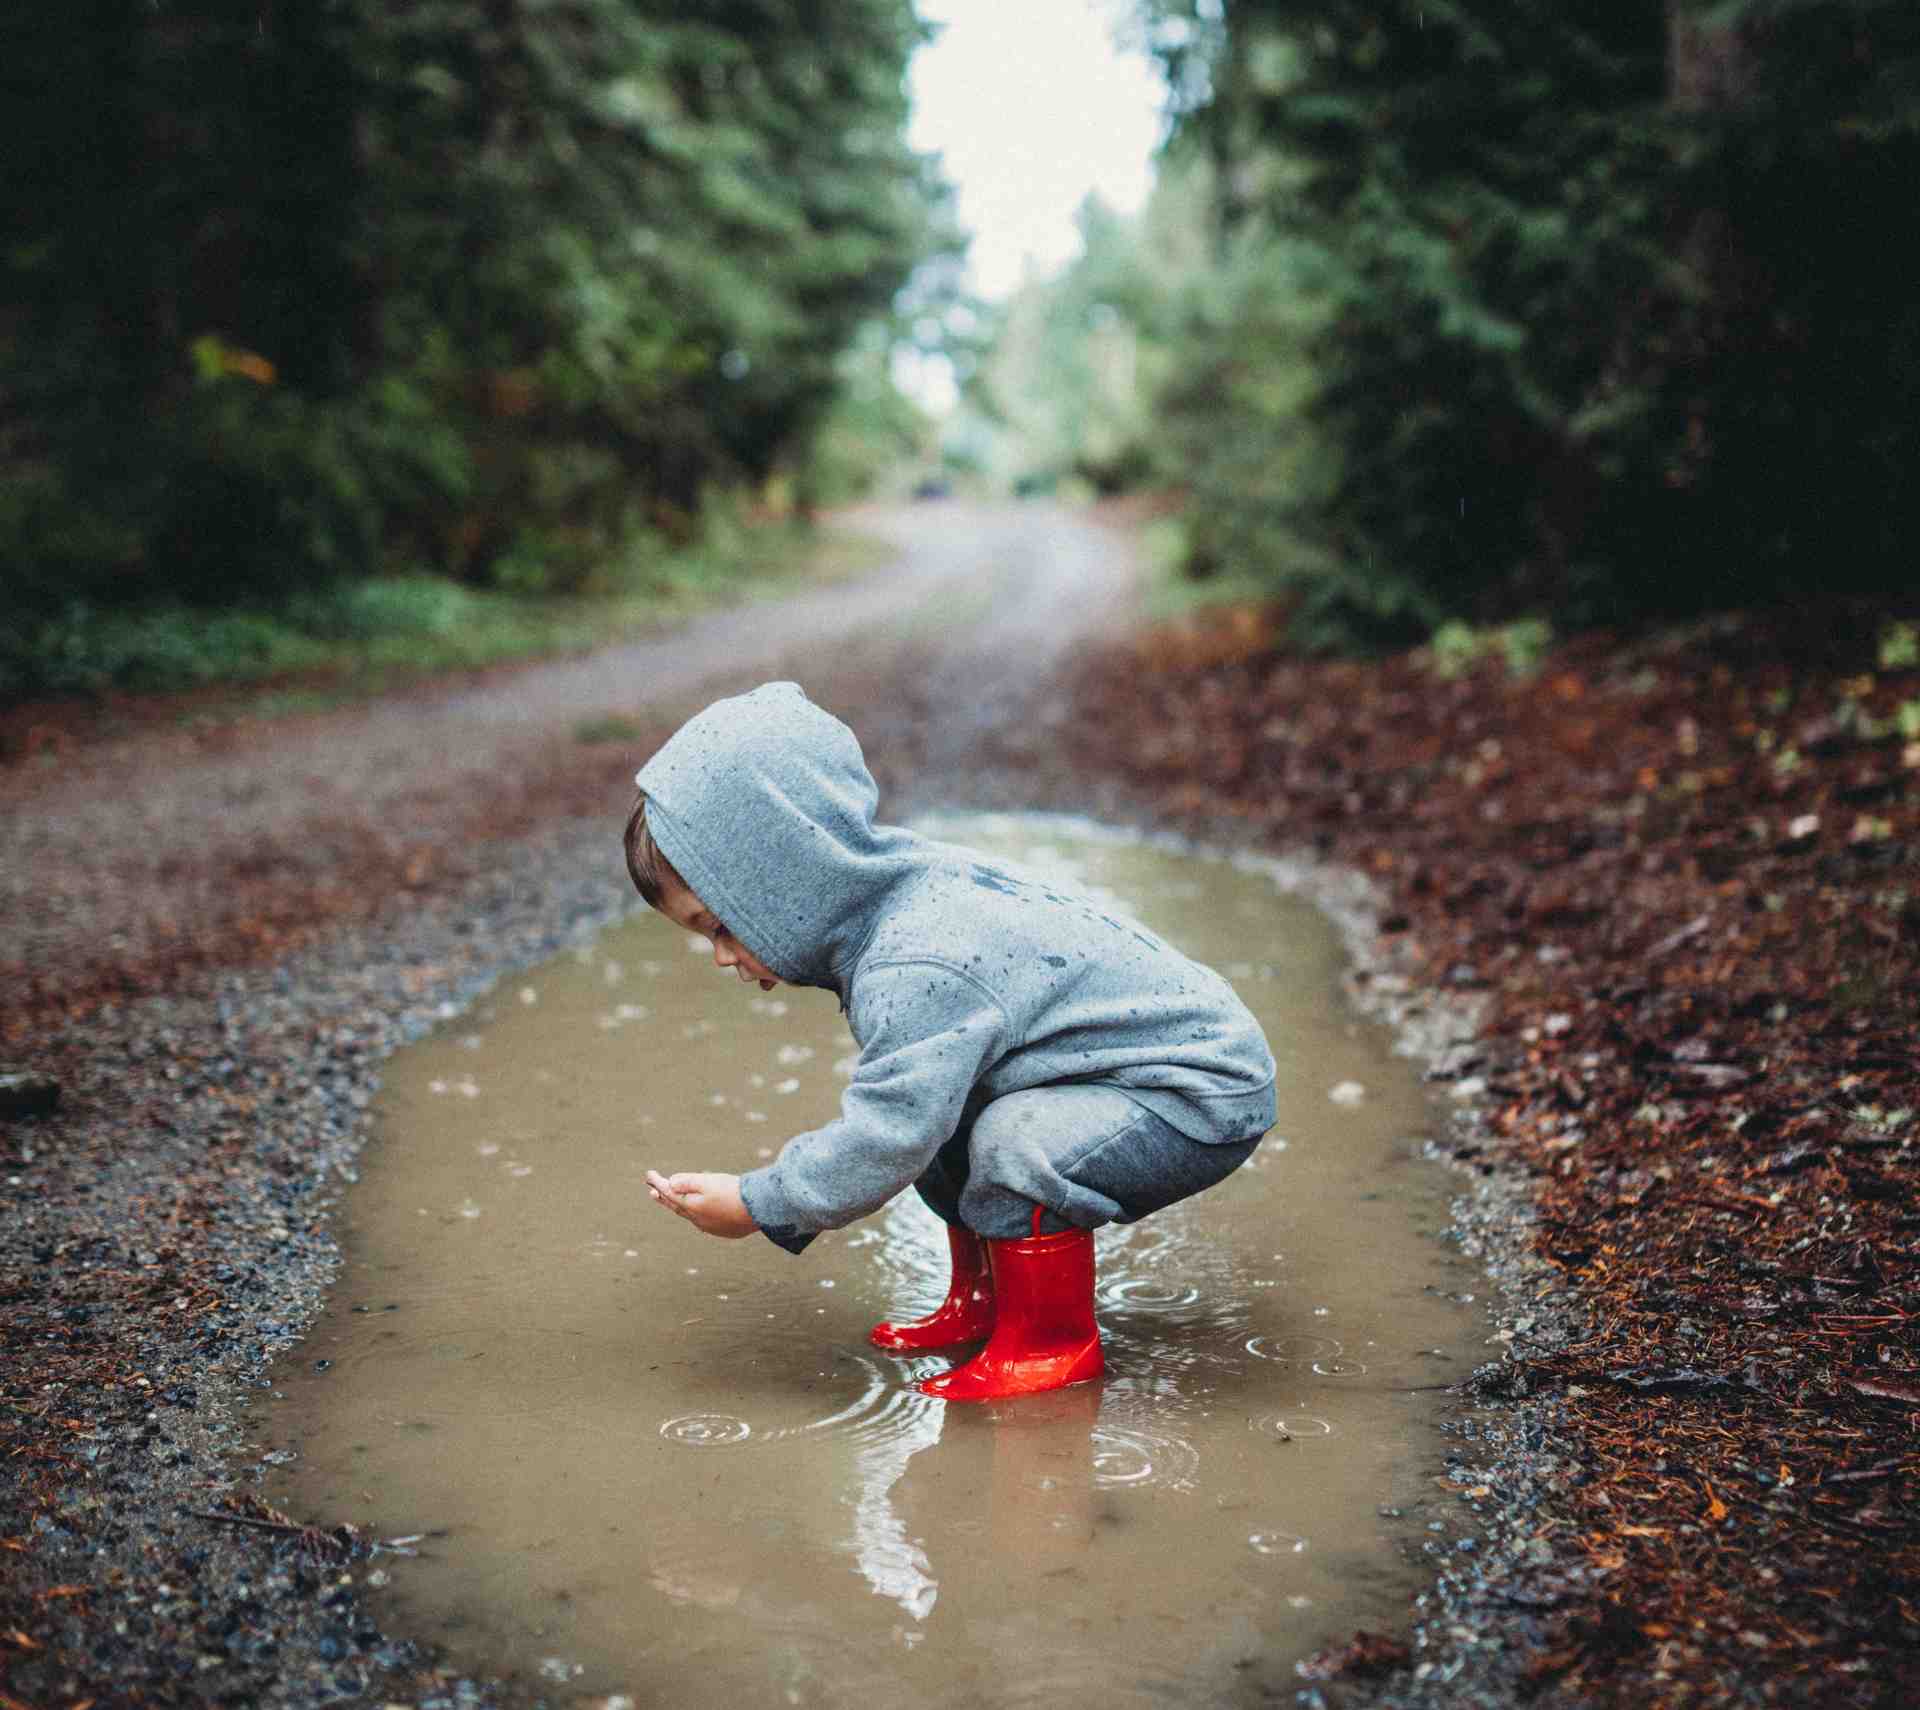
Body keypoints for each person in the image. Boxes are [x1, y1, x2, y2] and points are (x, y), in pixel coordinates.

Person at [629, 682, 1276, 1401]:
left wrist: (759, 1202)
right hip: (1121, 1073)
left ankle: (1050, 1344)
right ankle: (986, 1301)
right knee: (952, 1109)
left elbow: (887, 1136)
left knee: (1009, 1140)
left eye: (720, 925)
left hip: (1196, 1089)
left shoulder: (914, 961)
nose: (721, 957)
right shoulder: (885, 900)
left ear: (784, 880)